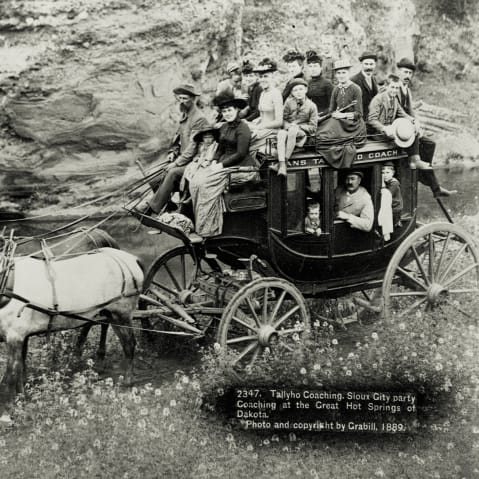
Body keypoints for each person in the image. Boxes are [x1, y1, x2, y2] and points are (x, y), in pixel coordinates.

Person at [188, 93, 254, 237]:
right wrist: (213, 160)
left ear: (237, 110)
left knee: (206, 185)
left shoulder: (243, 128)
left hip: (243, 167)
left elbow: (241, 153)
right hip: (224, 164)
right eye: (224, 111)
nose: (227, 113)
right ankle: (197, 223)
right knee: (196, 182)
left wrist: (221, 165)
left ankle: (209, 229)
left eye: (230, 110)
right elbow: (220, 148)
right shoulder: (224, 127)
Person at [137, 84, 208, 211]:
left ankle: (153, 208)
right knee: (155, 178)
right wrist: (173, 151)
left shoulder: (199, 118)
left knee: (172, 172)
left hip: (196, 162)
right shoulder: (184, 116)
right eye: (179, 98)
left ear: (193, 99)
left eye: (185, 98)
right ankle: (168, 205)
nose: (181, 101)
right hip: (183, 159)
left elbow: (192, 147)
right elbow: (178, 138)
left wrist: (176, 163)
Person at [396, 57, 456, 197]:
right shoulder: (394, 87)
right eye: (405, 72)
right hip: (397, 126)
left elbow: (410, 110)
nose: (407, 76)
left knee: (430, 143)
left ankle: (424, 176)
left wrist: (416, 121)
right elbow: (396, 109)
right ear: (398, 71)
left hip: (406, 124)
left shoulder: (406, 90)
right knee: (413, 131)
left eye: (410, 73)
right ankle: (419, 165)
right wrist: (411, 121)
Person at [368, 74, 434, 171]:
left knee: (413, 129)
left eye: (397, 88)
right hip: (378, 133)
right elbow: (371, 119)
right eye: (392, 87)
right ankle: (412, 161)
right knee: (406, 134)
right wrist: (384, 128)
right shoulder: (378, 99)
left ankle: (414, 160)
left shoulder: (394, 100)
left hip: (390, 130)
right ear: (386, 86)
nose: (394, 90)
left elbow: (402, 114)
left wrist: (414, 121)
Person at [315, 59, 367, 168]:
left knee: (326, 136)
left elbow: (359, 114)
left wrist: (342, 115)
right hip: (339, 121)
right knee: (320, 130)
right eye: (338, 73)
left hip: (352, 124)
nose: (341, 75)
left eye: (344, 72)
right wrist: (320, 117)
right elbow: (331, 110)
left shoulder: (356, 89)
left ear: (348, 73)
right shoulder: (336, 89)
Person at [274, 78, 318, 176]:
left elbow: (313, 127)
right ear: (292, 93)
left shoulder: (312, 106)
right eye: (295, 90)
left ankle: (284, 162)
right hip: (288, 131)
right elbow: (283, 119)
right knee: (281, 133)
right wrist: (288, 126)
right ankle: (282, 164)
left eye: (301, 89)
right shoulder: (289, 103)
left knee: (293, 130)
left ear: (306, 90)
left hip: (303, 136)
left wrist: (298, 126)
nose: (298, 92)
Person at [248, 58, 284, 154]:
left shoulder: (276, 94)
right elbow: (262, 115)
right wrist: (253, 123)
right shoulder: (263, 93)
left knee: (245, 145)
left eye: (266, 76)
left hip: (272, 131)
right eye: (260, 77)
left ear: (272, 77)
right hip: (262, 129)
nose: (263, 79)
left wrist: (260, 127)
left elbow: (279, 122)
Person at [350, 52, 379, 121]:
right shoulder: (354, 80)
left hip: (373, 119)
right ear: (361, 64)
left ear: (375, 65)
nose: (369, 67)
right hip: (359, 120)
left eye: (371, 64)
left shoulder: (374, 79)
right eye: (366, 64)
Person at [306, 51, 334, 116]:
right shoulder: (306, 83)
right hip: (311, 115)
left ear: (321, 68)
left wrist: (321, 115)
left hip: (325, 115)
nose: (313, 69)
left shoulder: (327, 84)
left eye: (315, 66)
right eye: (310, 66)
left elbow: (332, 106)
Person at [381, 161, 403, 226]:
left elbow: (387, 195)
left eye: (387, 172)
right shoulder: (388, 182)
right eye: (383, 173)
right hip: (391, 207)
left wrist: (383, 185)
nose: (385, 175)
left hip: (395, 209)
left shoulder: (394, 183)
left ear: (393, 173)